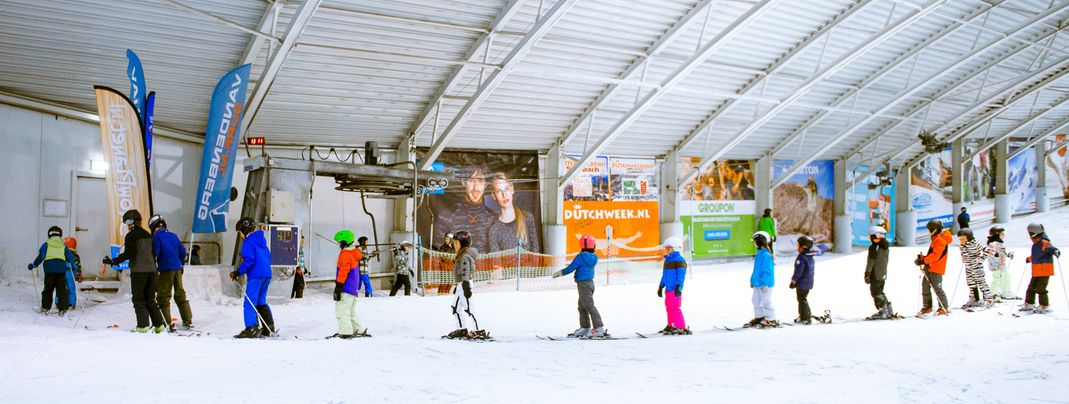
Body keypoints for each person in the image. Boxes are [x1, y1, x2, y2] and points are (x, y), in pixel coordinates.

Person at [103, 210, 167, 333]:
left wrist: (114, 261)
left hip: (139, 271)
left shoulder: (131, 236)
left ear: (132, 223)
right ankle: (159, 325)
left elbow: (129, 253)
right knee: (150, 298)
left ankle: (142, 326)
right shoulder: (148, 235)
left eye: (128, 223)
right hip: (152, 271)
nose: (128, 226)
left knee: (138, 299)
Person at [230, 217, 276, 338]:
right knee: (260, 301)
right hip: (267, 274)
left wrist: (237, 272)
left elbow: (250, 260)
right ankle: (269, 327)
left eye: (240, 232)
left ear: (244, 230)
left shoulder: (248, 242)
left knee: (249, 303)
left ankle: (252, 328)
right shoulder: (261, 242)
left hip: (256, 275)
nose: (240, 235)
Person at [553, 235, 607, 338]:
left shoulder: (580, 257)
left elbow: (571, 268)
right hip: (590, 283)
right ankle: (585, 328)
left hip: (583, 284)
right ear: (593, 245)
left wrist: (560, 273)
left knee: (589, 306)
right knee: (582, 306)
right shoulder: (594, 257)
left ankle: (599, 328)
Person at [434, 167, 495, 253]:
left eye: (480, 181)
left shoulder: (492, 218)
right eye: (471, 180)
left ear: (485, 184)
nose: (475, 188)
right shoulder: (447, 215)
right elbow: (437, 255)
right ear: (463, 182)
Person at [148, 215, 193, 330]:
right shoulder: (173, 236)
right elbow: (182, 251)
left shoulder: (157, 238)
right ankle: (188, 320)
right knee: (180, 294)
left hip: (165, 269)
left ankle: (166, 322)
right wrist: (180, 263)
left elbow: (156, 252)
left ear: (153, 227)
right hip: (177, 268)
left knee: (163, 296)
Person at [445, 231, 487, 339]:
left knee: (469, 308)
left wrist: (465, 286)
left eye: (456, 243)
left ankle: (479, 330)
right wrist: (458, 287)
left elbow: (465, 272)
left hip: (465, 284)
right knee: (455, 307)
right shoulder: (461, 255)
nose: (454, 245)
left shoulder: (464, 257)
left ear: (463, 244)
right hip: (461, 285)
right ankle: (462, 329)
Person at [28, 226, 78, 315]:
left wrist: (34, 264)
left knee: (48, 289)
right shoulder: (63, 246)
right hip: (61, 271)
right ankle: (62, 309)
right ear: (60, 235)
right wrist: (73, 263)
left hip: (49, 271)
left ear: (49, 234)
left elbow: (41, 256)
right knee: (61, 289)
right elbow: (70, 257)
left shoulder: (46, 244)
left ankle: (45, 307)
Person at [488, 172, 540, 253]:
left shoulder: (527, 218)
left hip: (529, 265)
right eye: (498, 191)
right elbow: (497, 263)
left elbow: (536, 253)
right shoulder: (494, 230)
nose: (504, 195)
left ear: (512, 189)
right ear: (493, 195)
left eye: (507, 189)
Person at [331, 230, 367, 339]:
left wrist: (338, 287)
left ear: (344, 242)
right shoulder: (354, 253)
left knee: (342, 310)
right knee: (351, 311)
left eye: (339, 242)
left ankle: (345, 332)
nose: (338, 245)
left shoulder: (345, 254)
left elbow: (343, 271)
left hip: (346, 287)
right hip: (353, 287)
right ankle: (358, 330)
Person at [914, 220, 952, 316]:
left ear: (934, 230)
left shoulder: (940, 240)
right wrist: (923, 258)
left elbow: (936, 256)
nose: (928, 231)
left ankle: (944, 307)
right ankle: (927, 306)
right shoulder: (935, 239)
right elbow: (932, 255)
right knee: (925, 286)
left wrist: (923, 261)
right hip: (929, 267)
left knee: (937, 288)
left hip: (936, 269)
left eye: (929, 229)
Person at [1022, 223, 1060, 314]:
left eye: (1030, 234)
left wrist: (1056, 251)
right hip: (1036, 270)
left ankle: (1044, 305)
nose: (1030, 237)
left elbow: (1051, 248)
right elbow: (1036, 255)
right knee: (1031, 287)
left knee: (1040, 288)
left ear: (1034, 233)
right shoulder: (1036, 244)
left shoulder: (1044, 242)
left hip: (1044, 270)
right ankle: (1029, 303)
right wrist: (1029, 259)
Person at [957, 228, 996, 309]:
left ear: (969, 237)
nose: (961, 241)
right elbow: (962, 252)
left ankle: (989, 299)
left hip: (977, 267)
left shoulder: (975, 244)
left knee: (981, 282)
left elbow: (988, 250)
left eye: (963, 239)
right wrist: (963, 257)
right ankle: (974, 299)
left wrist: (982, 258)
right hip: (968, 267)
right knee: (971, 283)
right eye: (960, 239)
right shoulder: (961, 246)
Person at [657, 237, 689, 334]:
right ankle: (671, 325)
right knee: (669, 307)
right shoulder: (667, 260)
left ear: (675, 248)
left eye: (668, 248)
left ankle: (681, 327)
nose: (666, 250)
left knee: (675, 307)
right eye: (666, 248)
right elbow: (665, 275)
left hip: (675, 289)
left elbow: (681, 275)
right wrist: (661, 286)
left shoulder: (680, 260)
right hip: (668, 289)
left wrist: (679, 287)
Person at [747, 231, 777, 328]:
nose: (754, 244)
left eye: (755, 242)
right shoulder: (759, 254)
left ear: (759, 242)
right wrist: (752, 280)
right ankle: (759, 316)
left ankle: (771, 319)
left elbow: (767, 271)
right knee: (755, 300)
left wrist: (764, 283)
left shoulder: (766, 255)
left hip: (765, 284)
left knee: (766, 301)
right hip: (757, 283)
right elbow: (756, 270)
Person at [864, 226, 895, 320]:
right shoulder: (885, 246)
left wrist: (867, 273)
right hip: (883, 273)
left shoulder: (874, 247)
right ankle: (888, 310)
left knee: (875, 292)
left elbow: (871, 261)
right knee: (880, 291)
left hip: (875, 273)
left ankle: (883, 311)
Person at [790, 235, 816, 325]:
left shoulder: (802, 257)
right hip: (808, 282)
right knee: (801, 299)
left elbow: (798, 271)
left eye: (798, 245)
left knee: (802, 299)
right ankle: (802, 315)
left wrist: (793, 281)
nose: (797, 247)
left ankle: (807, 317)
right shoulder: (809, 256)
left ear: (803, 246)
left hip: (802, 283)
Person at [986, 227, 1016, 300]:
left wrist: (1008, 255)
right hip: (996, 265)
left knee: (1006, 277)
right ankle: (994, 293)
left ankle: (1005, 291)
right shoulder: (993, 244)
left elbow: (1003, 252)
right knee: (998, 279)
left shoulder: (1001, 243)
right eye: (1002, 234)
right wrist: (995, 254)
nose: (1003, 235)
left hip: (1002, 265)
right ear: (996, 235)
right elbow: (989, 252)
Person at [61, 236, 81, 309]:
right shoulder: (76, 256)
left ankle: (59, 302)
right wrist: (79, 275)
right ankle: (71, 303)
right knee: (71, 288)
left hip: (62, 273)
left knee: (61, 287)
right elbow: (78, 266)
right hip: (71, 274)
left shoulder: (62, 254)